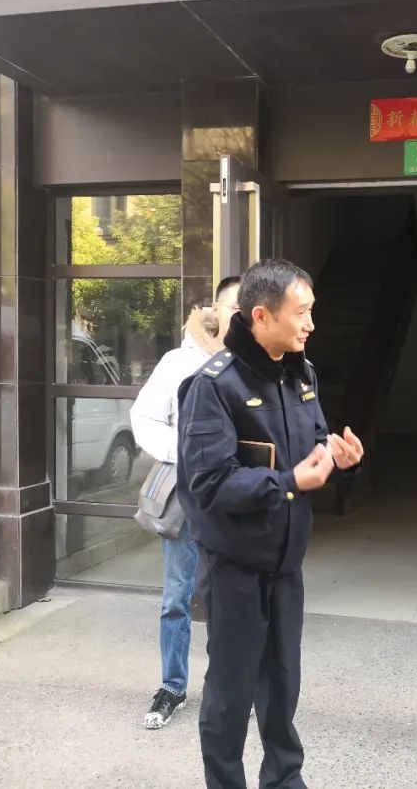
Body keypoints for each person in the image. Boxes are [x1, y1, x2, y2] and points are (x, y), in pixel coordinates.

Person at [176, 258, 364, 789]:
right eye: (300, 313)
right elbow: (209, 485)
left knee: (282, 684)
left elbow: (316, 441)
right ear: (261, 315)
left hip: (286, 564)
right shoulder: (214, 385)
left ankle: (284, 778)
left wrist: (338, 458)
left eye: (311, 311)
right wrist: (287, 482)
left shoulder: (301, 373)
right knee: (231, 692)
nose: (310, 324)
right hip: (234, 567)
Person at [130, 276, 241, 730]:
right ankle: (172, 686)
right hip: (189, 494)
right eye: (235, 305)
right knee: (178, 596)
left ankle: (227, 686)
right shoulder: (180, 360)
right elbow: (144, 416)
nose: (243, 314)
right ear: (216, 308)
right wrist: (187, 453)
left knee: (232, 597)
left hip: (239, 497)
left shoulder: (261, 361)